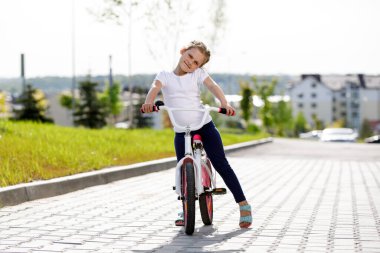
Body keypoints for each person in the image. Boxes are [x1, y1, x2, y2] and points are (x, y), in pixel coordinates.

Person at [141, 40, 252, 229]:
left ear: (199, 67)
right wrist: (149, 102)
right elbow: (154, 89)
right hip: (182, 131)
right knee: (182, 169)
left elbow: (213, 86)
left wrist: (224, 103)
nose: (190, 63)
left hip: (203, 125)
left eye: (196, 63)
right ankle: (185, 209)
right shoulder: (165, 75)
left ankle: (243, 205)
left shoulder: (197, 75)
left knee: (221, 163)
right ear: (183, 51)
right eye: (190, 56)